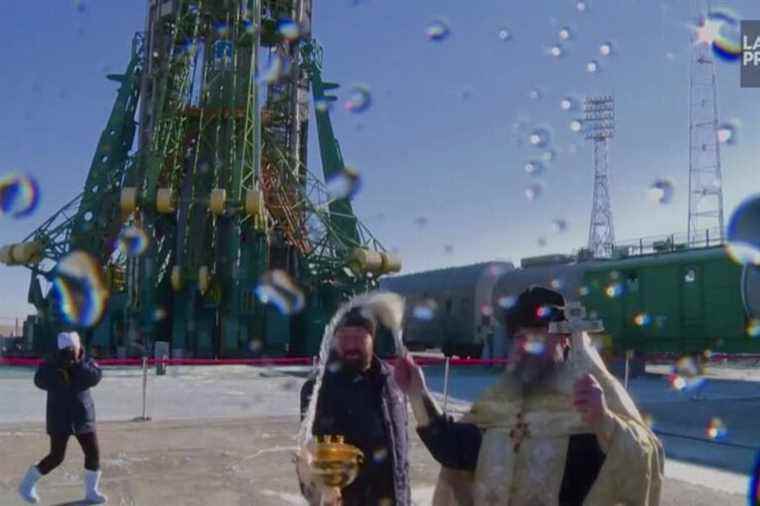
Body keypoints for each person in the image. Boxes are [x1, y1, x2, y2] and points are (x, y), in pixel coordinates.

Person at [394, 286, 665, 506]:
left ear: (564, 340)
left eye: (537, 335)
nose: (525, 345)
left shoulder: (596, 394)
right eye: (520, 336)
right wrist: (418, 393)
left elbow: (647, 457)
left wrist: (604, 423)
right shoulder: (499, 401)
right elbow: (455, 453)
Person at [298, 304, 411, 506]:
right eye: (343, 337)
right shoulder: (319, 388)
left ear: (372, 337)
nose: (351, 345)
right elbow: (308, 459)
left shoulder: (393, 380)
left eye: (359, 336)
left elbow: (401, 447)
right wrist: (322, 493)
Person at [18, 331, 107, 504]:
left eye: (74, 348)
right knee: (56, 456)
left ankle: (92, 492)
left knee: (93, 454)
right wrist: (59, 364)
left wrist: (77, 364)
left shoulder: (85, 362)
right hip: (59, 417)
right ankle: (26, 485)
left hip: (83, 416)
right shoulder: (50, 364)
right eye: (68, 349)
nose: (72, 351)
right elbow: (39, 381)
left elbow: (95, 377)